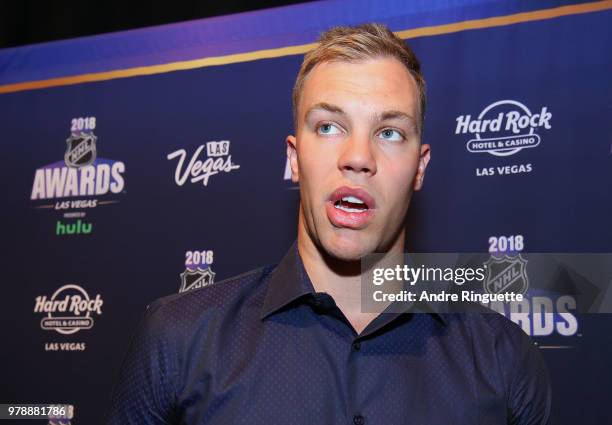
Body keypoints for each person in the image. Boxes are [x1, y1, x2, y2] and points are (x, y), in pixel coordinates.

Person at [106, 23, 551, 424]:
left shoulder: (500, 356)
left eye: (390, 132)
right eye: (329, 127)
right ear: (294, 158)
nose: (358, 157)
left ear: (420, 167)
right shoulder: (180, 338)